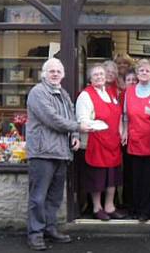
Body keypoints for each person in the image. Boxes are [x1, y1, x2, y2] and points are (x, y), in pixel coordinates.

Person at [25, 58, 90, 251]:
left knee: (54, 197)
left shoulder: (63, 93)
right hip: (42, 152)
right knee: (38, 197)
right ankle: (35, 234)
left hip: (61, 152)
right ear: (44, 74)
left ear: (63, 74)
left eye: (58, 71)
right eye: (51, 71)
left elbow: (70, 115)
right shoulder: (38, 93)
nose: (55, 74)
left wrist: (76, 135)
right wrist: (78, 127)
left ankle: (50, 228)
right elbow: (52, 119)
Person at [76, 65, 126, 220]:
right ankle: (97, 208)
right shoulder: (85, 95)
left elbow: (117, 116)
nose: (99, 77)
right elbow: (82, 121)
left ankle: (110, 206)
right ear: (90, 79)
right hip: (95, 142)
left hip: (113, 143)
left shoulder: (110, 93)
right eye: (95, 75)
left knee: (112, 177)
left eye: (101, 74)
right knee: (97, 177)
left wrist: (121, 131)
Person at [122, 58, 150, 221]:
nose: (144, 73)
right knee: (135, 179)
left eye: (147, 70)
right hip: (134, 140)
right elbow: (125, 116)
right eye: (141, 70)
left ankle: (146, 211)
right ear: (137, 73)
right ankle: (134, 209)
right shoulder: (129, 91)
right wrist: (124, 131)